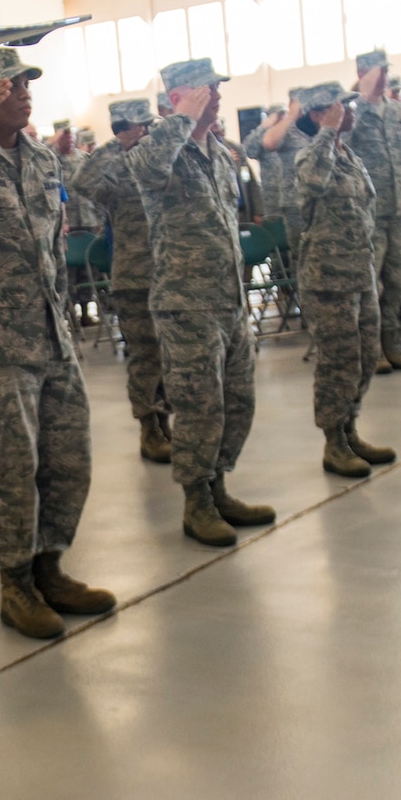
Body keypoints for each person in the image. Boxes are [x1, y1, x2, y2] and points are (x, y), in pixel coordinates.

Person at [0, 48, 110, 641]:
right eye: (10, 87)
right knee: (12, 472)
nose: (25, 94)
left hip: (50, 335)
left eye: (28, 84)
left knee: (68, 461)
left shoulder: (38, 157)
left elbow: (53, 248)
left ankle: (49, 566)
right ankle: (14, 583)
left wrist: (64, 319)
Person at [130, 59, 276, 547]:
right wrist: (180, 119)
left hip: (227, 298)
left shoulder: (218, 151)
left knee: (239, 401)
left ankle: (218, 485)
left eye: (217, 89)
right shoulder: (160, 148)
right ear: (179, 98)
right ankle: (196, 503)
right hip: (185, 302)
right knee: (199, 406)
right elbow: (145, 168)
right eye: (207, 89)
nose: (217, 95)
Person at [291, 84, 396, 478]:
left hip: (359, 272)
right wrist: (325, 134)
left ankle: (350, 429)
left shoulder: (348, 156)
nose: (349, 111)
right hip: (327, 278)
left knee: (366, 356)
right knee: (338, 361)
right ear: (319, 114)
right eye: (340, 107)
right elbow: (314, 183)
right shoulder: (310, 156)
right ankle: (333, 441)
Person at [70, 97, 172, 463]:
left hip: (171, 270)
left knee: (173, 354)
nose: (143, 131)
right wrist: (119, 144)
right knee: (146, 355)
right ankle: (149, 427)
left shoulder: (158, 155)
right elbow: (82, 181)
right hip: (134, 275)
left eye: (147, 124)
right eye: (135, 125)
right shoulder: (112, 165)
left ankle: (167, 421)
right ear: (121, 129)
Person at [347, 50, 401, 371]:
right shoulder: (351, 110)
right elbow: (342, 146)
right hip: (369, 212)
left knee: (394, 281)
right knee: (372, 284)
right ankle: (372, 348)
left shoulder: (398, 114)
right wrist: (361, 98)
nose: (383, 77)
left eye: (386, 70)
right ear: (363, 72)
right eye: (377, 71)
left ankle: (392, 344)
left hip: (397, 209)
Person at [243, 92, 305, 274]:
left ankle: (294, 291)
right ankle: (283, 294)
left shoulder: (294, 135)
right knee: (279, 258)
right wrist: (265, 125)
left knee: (298, 252)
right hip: (273, 207)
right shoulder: (265, 138)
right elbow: (249, 149)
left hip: (295, 205)